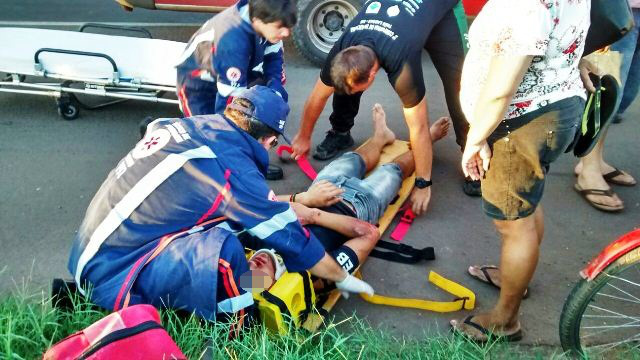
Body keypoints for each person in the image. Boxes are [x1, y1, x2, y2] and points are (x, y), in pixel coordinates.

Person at [67, 86, 373, 325]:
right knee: (226, 253)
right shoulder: (230, 166)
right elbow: (293, 238)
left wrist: (299, 202)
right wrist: (339, 276)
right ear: (266, 140)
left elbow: (247, 207)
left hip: (98, 247)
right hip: (114, 273)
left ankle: (236, 287)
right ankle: (238, 328)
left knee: (231, 236)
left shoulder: (193, 126)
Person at [451, 0, 590, 341]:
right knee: (524, 207)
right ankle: (515, 277)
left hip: (520, 124)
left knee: (512, 223)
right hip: (552, 107)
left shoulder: (524, 4)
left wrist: (475, 138)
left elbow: (501, 91)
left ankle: (505, 320)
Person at [290, 0, 479, 217]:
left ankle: (471, 152)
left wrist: (423, 183)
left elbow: (418, 127)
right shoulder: (343, 48)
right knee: (344, 82)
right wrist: (303, 136)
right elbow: (317, 97)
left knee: (460, 84)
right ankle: (340, 132)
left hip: (441, 10)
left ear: (373, 75)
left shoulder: (401, 62)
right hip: (401, 19)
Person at [282, 104, 450, 276]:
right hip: (356, 206)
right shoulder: (312, 276)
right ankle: (427, 139)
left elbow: (261, 202)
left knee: (353, 159)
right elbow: (369, 234)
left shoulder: (256, 271)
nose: (258, 263)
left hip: (317, 193)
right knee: (393, 171)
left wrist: (301, 198)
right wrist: (314, 216)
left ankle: (380, 137)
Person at [574, 0, 639, 212]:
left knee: (624, 92)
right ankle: (588, 169)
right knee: (606, 89)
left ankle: (596, 160)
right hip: (616, 8)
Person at [175, 0, 293, 116]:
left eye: (288, 26)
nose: (286, 33)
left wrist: (274, 90)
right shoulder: (232, 41)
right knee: (210, 131)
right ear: (257, 20)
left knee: (274, 98)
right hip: (198, 86)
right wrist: (225, 128)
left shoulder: (266, 18)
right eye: (280, 27)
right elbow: (229, 99)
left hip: (234, 74)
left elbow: (274, 58)